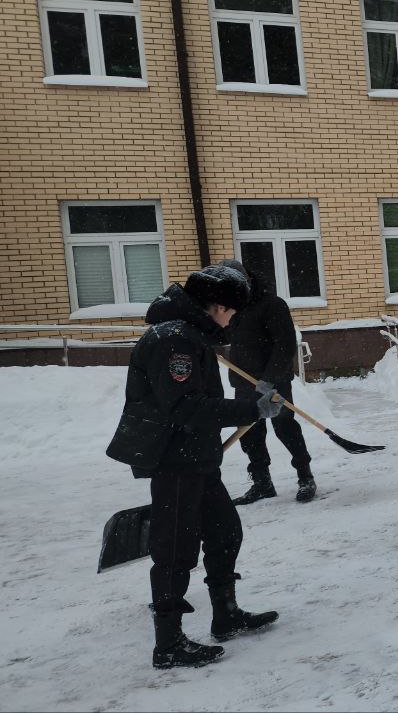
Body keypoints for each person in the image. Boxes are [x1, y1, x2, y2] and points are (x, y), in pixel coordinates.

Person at [106, 264, 284, 669]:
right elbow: (184, 407)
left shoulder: (188, 334)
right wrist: (249, 407)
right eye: (232, 311)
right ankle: (168, 644)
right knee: (175, 549)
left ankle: (226, 615)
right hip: (176, 460)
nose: (233, 319)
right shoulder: (174, 341)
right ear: (218, 306)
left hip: (197, 458)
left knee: (224, 533)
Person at [216, 259, 316, 505]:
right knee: (250, 433)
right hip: (243, 382)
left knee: (285, 428)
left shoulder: (272, 305)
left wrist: (269, 378)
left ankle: (305, 476)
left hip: (273, 382)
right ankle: (262, 483)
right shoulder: (232, 308)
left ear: (246, 281)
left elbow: (284, 345)